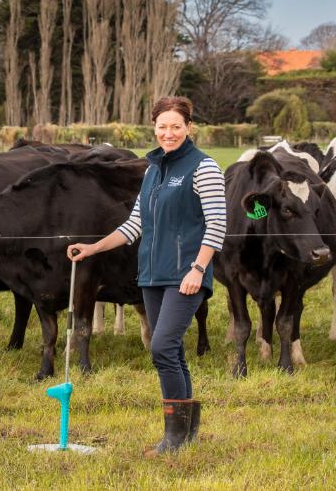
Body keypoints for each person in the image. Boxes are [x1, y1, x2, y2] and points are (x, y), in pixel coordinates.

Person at [66, 96, 226, 455]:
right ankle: (185, 434)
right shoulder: (153, 170)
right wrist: (93, 248)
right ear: (153, 128)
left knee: (161, 347)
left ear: (189, 127)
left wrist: (198, 270)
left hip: (186, 274)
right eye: (162, 127)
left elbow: (217, 225)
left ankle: (172, 438)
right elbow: (134, 224)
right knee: (173, 352)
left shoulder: (205, 167)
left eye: (176, 126)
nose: (168, 133)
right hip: (152, 275)